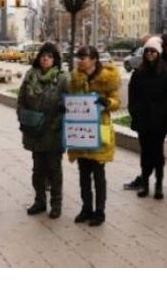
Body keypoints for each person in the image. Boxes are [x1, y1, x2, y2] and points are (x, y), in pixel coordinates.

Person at [124, 32, 167, 194]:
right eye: (147, 51)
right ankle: (145, 185)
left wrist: (166, 119)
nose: (150, 54)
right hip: (143, 121)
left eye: (153, 51)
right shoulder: (138, 74)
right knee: (145, 154)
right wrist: (135, 112)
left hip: (159, 122)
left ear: (159, 54)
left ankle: (158, 186)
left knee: (158, 154)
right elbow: (132, 96)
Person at [69, 45, 120, 227]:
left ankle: (99, 211)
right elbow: (70, 98)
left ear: (94, 59)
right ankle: (86, 208)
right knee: (83, 173)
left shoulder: (107, 78)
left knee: (98, 173)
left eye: (84, 57)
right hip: (81, 130)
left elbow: (116, 102)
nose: (80, 60)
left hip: (99, 129)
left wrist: (107, 102)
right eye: (79, 57)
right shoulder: (75, 78)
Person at [17, 42, 69, 218]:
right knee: (37, 169)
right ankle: (39, 201)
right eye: (43, 56)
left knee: (54, 169)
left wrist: (58, 119)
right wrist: (23, 118)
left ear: (55, 60)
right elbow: (21, 100)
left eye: (49, 56)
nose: (45, 59)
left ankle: (56, 204)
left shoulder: (62, 78)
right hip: (34, 130)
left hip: (53, 131)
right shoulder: (30, 75)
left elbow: (70, 103)